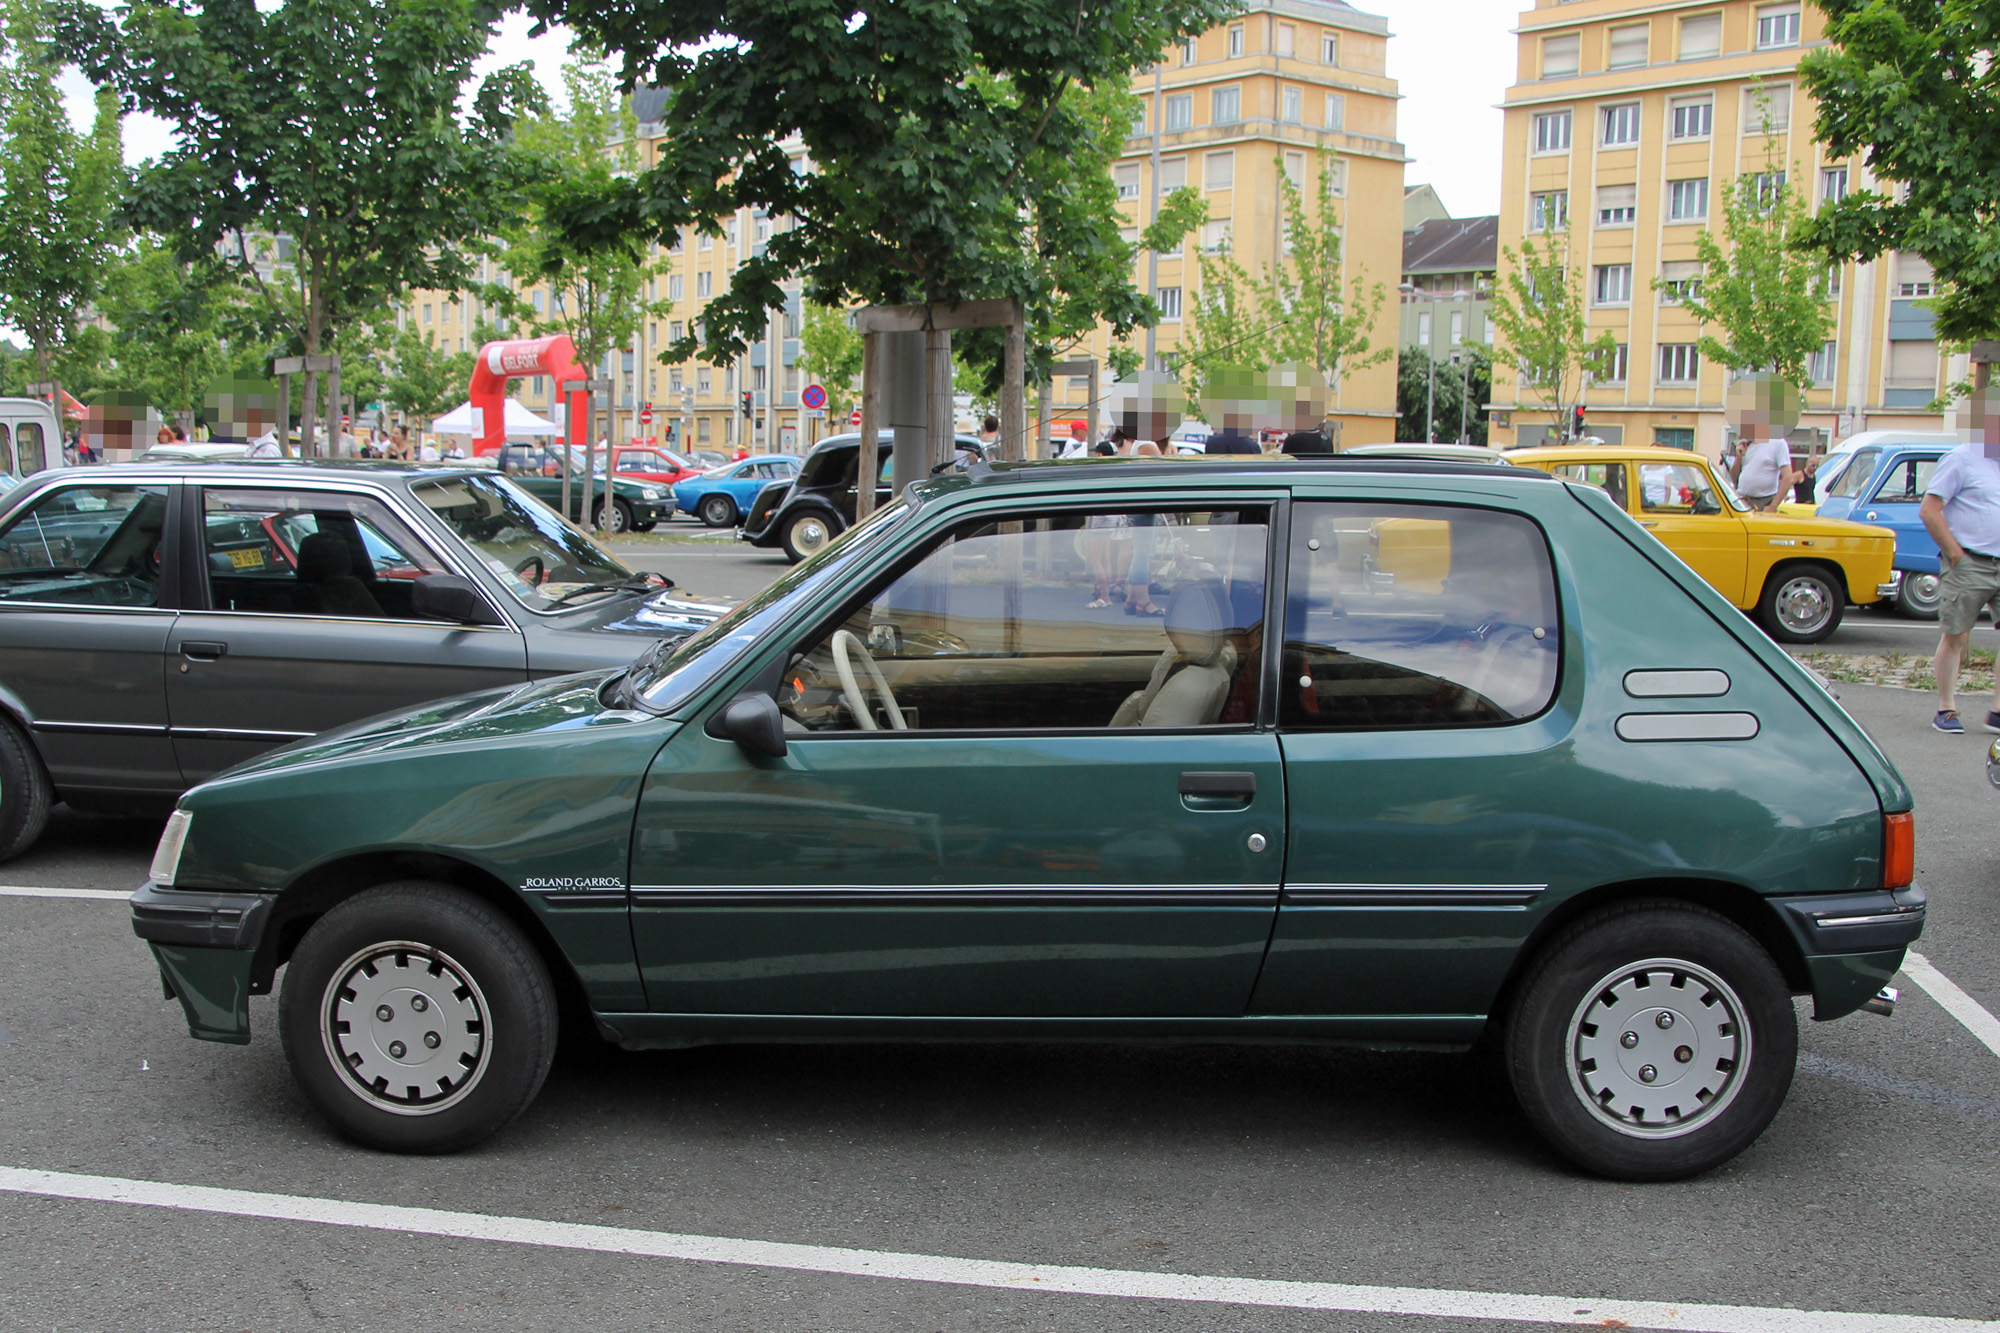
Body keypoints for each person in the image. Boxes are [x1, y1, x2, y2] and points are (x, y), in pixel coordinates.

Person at [1921, 385, 2000, 733]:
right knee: (1956, 634)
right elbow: (1930, 509)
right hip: (1970, 561)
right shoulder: (1962, 458)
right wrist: (1956, 554)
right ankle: (1946, 708)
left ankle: (1998, 710)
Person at [1725, 373, 1800, 512]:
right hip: (1744, 500)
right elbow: (1735, 478)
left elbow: (1788, 478)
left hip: (1764, 502)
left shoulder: (1777, 443)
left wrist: (1773, 506)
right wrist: (1739, 458)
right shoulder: (1748, 443)